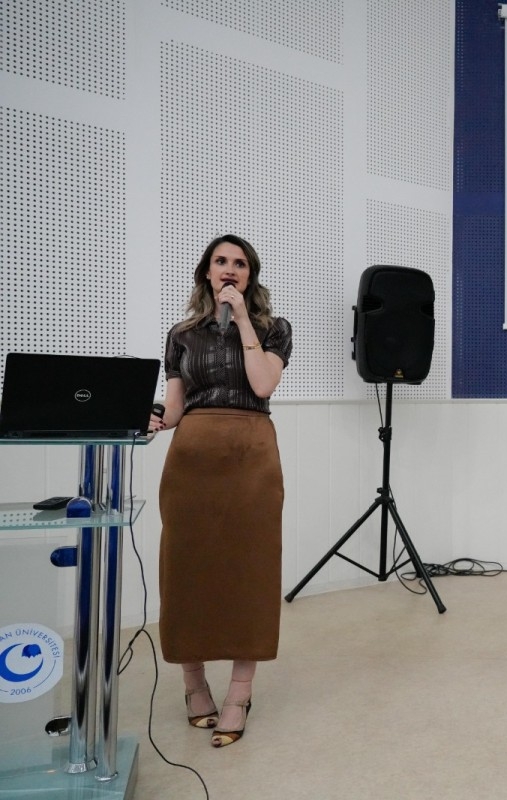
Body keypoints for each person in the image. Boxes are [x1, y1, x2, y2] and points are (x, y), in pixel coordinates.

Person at [148, 234, 292, 748]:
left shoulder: (274, 329)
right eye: (220, 262)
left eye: (240, 264)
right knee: (186, 569)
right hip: (192, 458)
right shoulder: (182, 335)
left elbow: (262, 385)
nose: (230, 269)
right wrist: (154, 418)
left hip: (252, 456)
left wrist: (245, 321)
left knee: (250, 570)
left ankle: (240, 693)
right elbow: (175, 407)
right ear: (206, 273)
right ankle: (194, 685)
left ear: (250, 275)